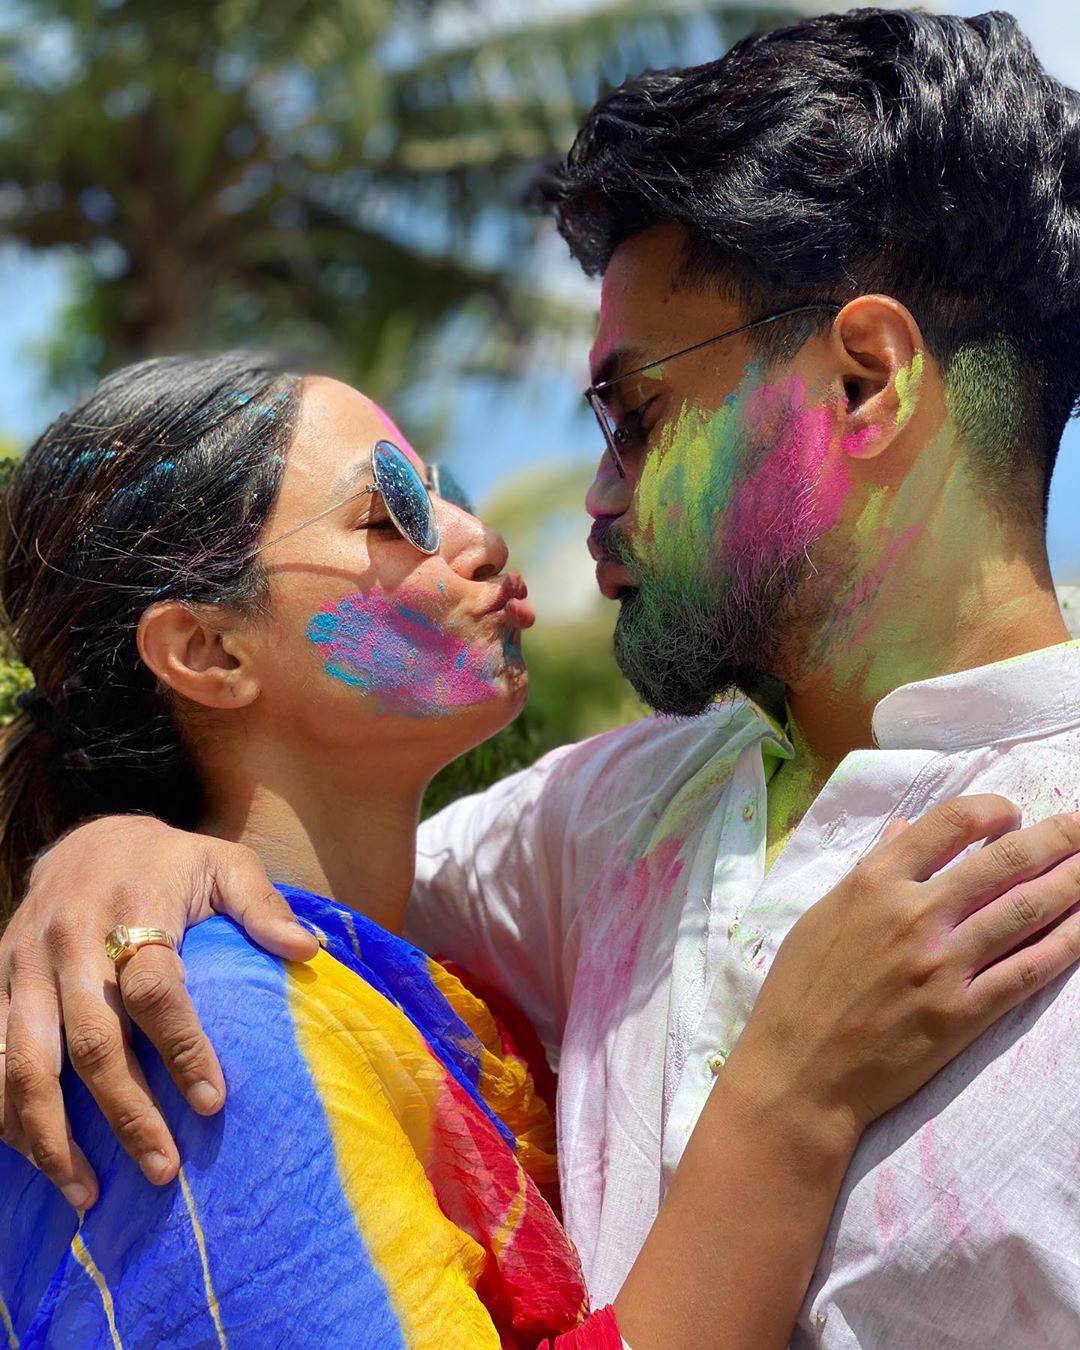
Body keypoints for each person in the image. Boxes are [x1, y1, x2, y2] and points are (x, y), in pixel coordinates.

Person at [8, 7, 1080, 1345]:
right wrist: (107, 857)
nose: (583, 501)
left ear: (865, 381)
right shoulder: (610, 821)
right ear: (204, 649)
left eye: (637, 417)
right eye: (393, 512)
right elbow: (305, 890)